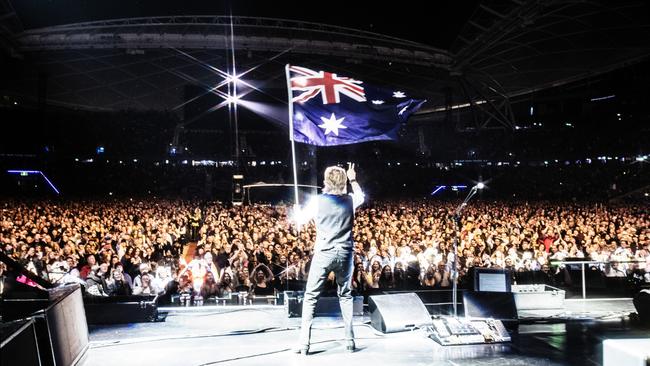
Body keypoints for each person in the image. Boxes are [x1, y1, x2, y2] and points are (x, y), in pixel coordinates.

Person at [293, 163, 364, 355]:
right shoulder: (350, 200)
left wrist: (296, 209)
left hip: (324, 252)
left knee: (310, 297)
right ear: (343, 182)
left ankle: (304, 344)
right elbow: (362, 196)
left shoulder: (317, 201)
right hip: (345, 252)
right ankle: (350, 341)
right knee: (345, 295)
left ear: (325, 181)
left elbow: (299, 220)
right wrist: (353, 179)